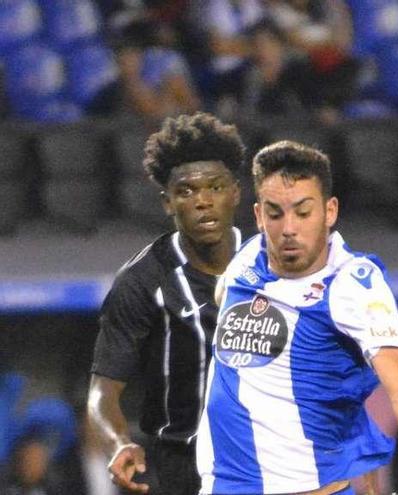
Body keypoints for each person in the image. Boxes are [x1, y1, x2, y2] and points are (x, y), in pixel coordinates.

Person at [196, 140, 398, 494]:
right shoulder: (245, 260)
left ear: (329, 211)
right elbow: (222, 297)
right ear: (258, 216)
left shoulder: (351, 283)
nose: (288, 228)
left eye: (303, 212)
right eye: (275, 213)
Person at [87, 112, 244, 495]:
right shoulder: (142, 282)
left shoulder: (270, 263)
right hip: (181, 467)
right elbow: (102, 392)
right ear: (167, 202)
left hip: (269, 458)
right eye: (187, 191)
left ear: (236, 192)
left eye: (215, 187)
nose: (203, 202)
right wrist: (119, 441)